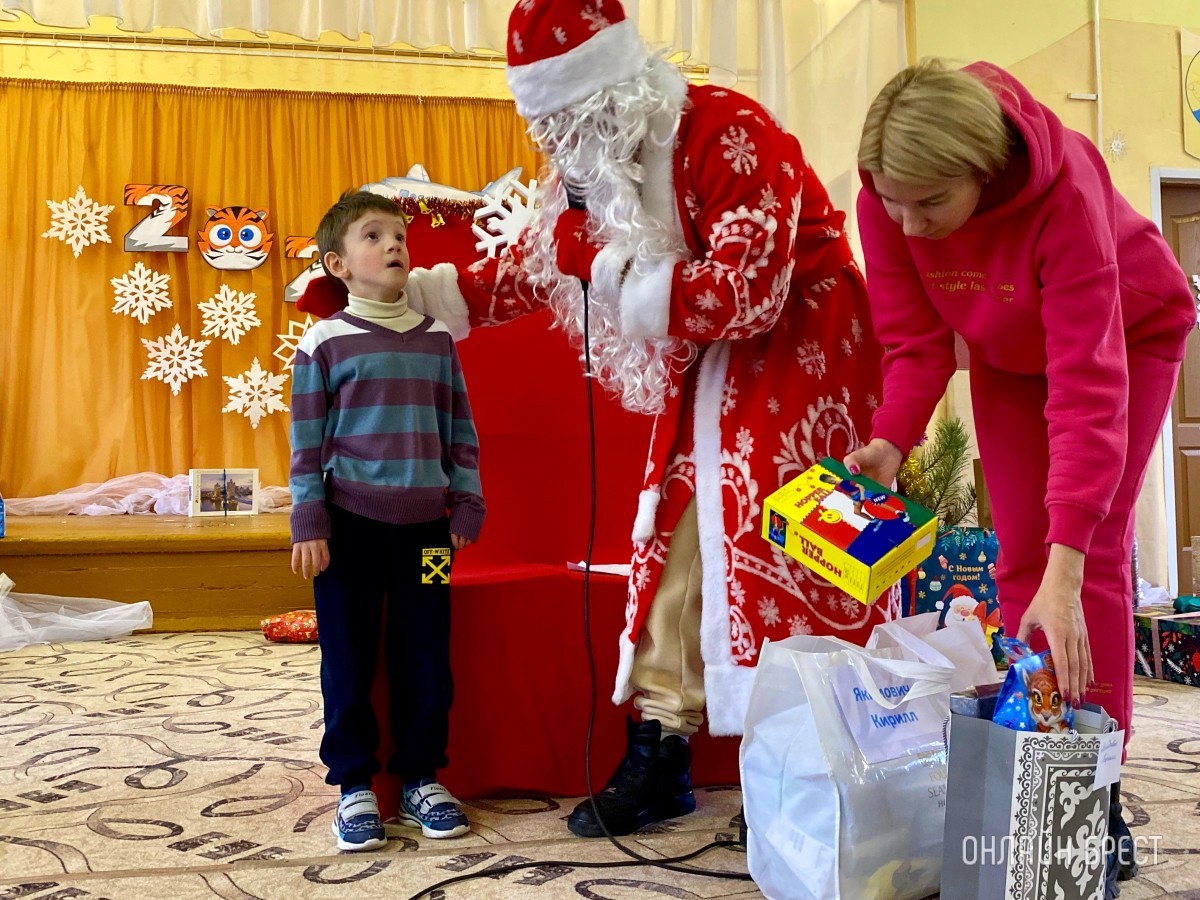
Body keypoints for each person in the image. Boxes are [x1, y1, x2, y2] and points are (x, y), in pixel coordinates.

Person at [390, 0, 886, 837]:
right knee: (676, 530)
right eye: (545, 131)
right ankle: (663, 747)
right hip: (708, 353)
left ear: (615, 96)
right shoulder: (601, 164)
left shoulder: (732, 131)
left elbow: (748, 296)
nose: (556, 152)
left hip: (806, 345)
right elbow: (533, 266)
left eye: (568, 126)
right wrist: (406, 298)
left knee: (797, 537)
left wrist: (603, 262)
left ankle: (818, 764)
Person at [846, 58, 1196, 895]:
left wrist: (1068, 562)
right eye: (893, 202)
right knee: (1020, 560)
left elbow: (1088, 384)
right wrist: (892, 440)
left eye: (931, 203)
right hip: (1009, 353)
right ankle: (1035, 756)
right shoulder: (887, 201)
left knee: (1088, 556)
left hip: (1130, 333)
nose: (908, 223)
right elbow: (915, 342)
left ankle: (1090, 787)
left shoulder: (1064, 192)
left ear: (982, 169)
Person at [289, 190, 485, 851]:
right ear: (338, 264)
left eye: (399, 234)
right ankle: (352, 785)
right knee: (347, 658)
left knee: (426, 653)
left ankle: (421, 777)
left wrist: (465, 500)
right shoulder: (323, 342)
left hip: (428, 535)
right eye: (373, 236)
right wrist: (308, 518)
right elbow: (306, 441)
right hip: (348, 530)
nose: (395, 245)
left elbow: (459, 429)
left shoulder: (436, 341)